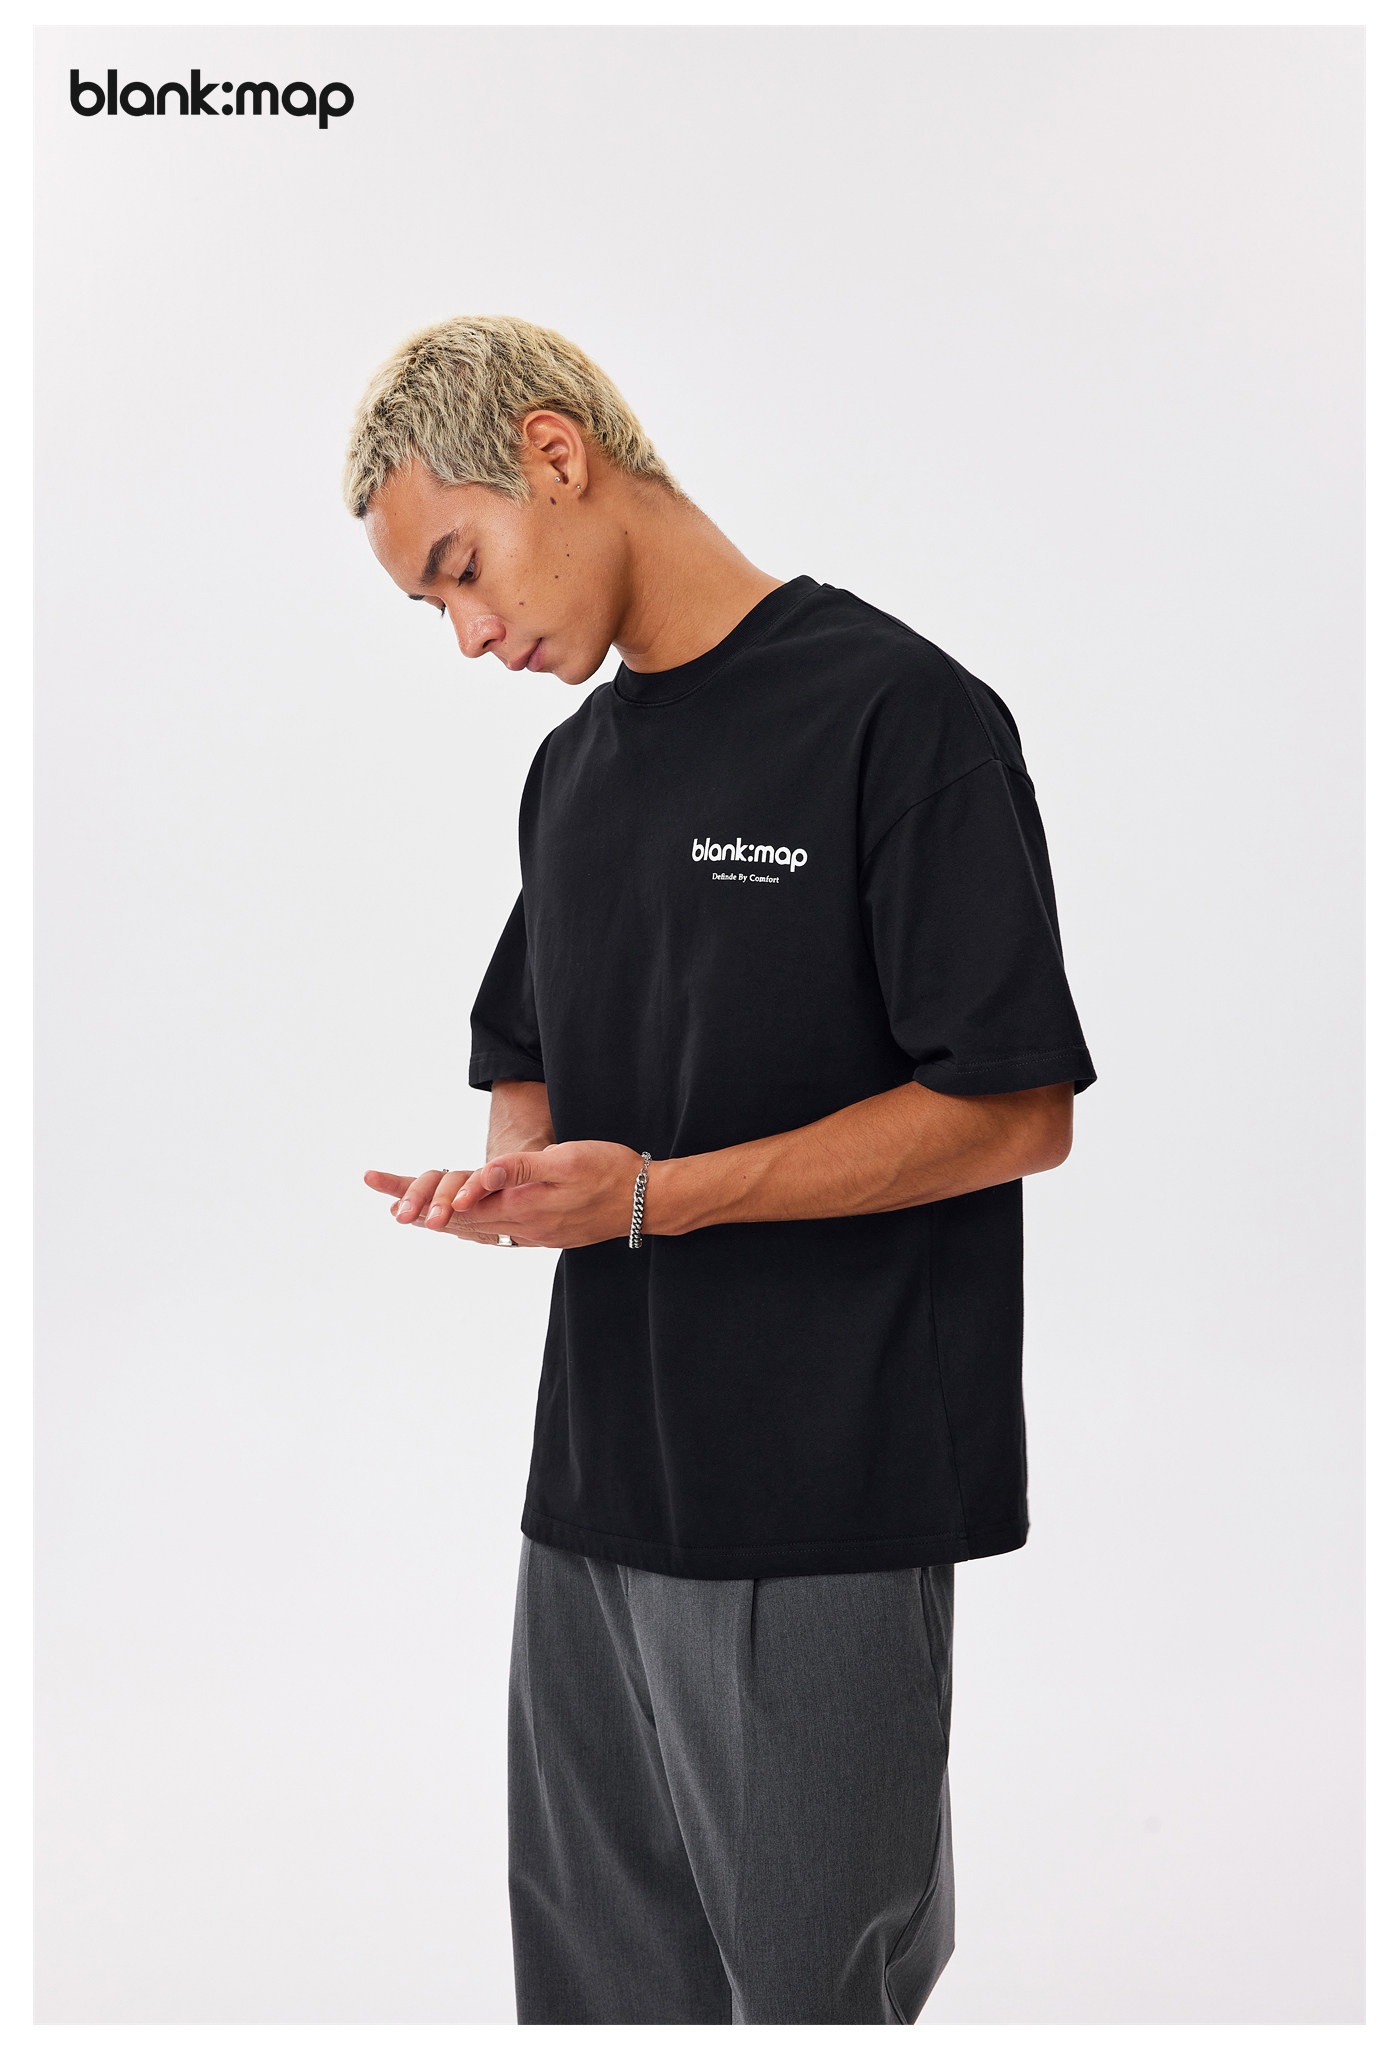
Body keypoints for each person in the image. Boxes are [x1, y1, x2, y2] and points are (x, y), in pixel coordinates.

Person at [342, 315, 1096, 2025]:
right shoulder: (574, 774)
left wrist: (648, 1197)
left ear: (554, 453)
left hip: (825, 1500)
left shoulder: (900, 717)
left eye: (460, 569)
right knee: (598, 2006)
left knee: (811, 2000)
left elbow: (1016, 1106)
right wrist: (519, 1174)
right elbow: (523, 1043)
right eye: (432, 608)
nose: (469, 635)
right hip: (590, 1508)